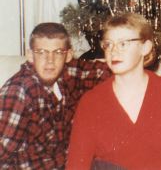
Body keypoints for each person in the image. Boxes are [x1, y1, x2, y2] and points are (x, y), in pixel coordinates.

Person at [66, 13, 161, 169]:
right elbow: (76, 164)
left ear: (145, 47)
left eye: (123, 43)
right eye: (108, 44)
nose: (114, 51)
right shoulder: (91, 102)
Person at [0, 22, 111, 169]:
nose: (49, 61)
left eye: (58, 52)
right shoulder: (19, 92)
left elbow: (106, 72)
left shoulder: (67, 75)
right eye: (41, 52)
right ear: (30, 55)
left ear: (68, 55)